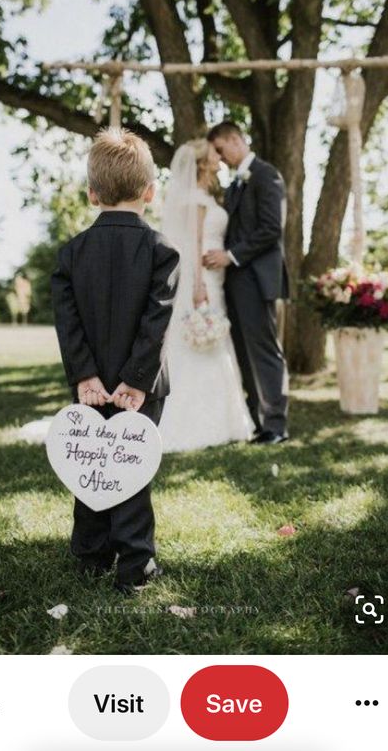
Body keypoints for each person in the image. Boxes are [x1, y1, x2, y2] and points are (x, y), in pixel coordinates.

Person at [51, 127, 180, 592]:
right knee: (131, 464)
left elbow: (68, 325)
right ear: (150, 190)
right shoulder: (163, 251)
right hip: (140, 387)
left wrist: (86, 374)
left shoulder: (71, 253)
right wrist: (138, 380)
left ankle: (90, 554)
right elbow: (157, 322)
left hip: (91, 384)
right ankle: (135, 565)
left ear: (91, 194)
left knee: (88, 459)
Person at [158, 139, 253, 452]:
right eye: (213, 153)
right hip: (201, 280)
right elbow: (193, 246)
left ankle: (224, 418)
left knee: (213, 341)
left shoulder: (205, 195)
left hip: (214, 277)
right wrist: (198, 286)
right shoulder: (196, 199)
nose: (218, 156)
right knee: (201, 343)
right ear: (201, 163)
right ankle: (196, 421)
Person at [205, 122, 289, 445]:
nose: (221, 158)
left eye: (222, 150)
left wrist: (230, 256)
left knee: (265, 352)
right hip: (234, 284)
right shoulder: (236, 184)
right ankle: (258, 421)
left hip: (256, 278)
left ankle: (276, 426)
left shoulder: (267, 175)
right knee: (243, 352)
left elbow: (270, 229)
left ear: (235, 140)